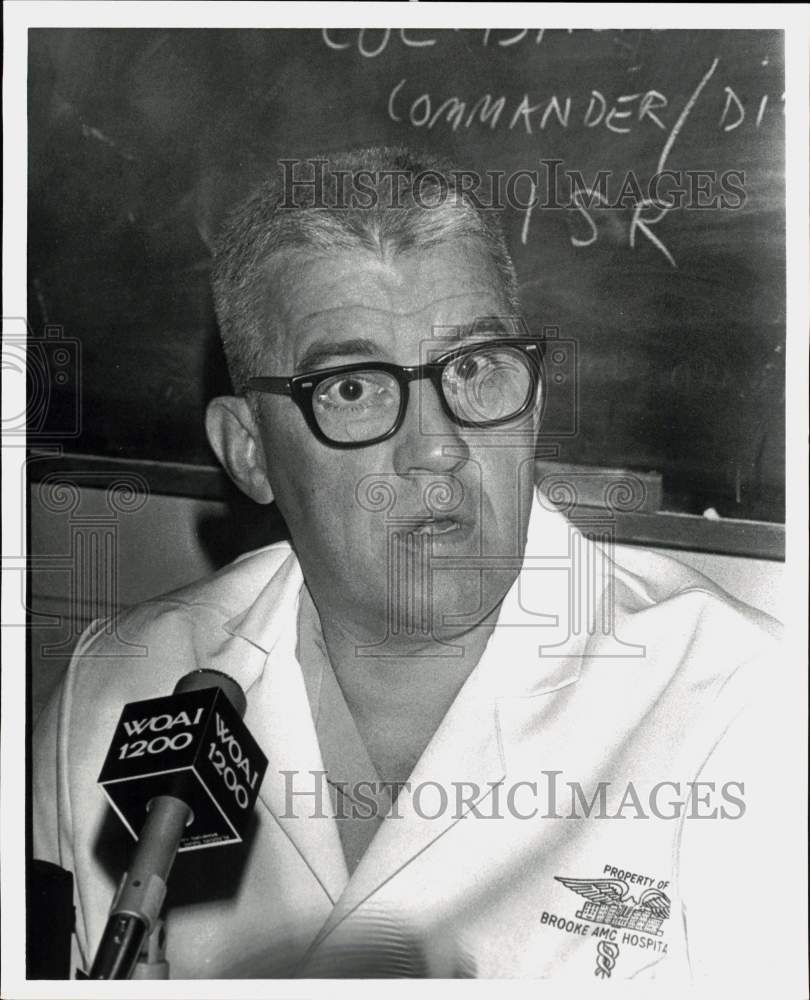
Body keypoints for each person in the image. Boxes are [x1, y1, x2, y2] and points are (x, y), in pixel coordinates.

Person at [32, 147, 792, 983]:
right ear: (249, 450)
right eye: (353, 388)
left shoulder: (737, 701)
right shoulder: (118, 688)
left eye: (473, 368)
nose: (438, 448)